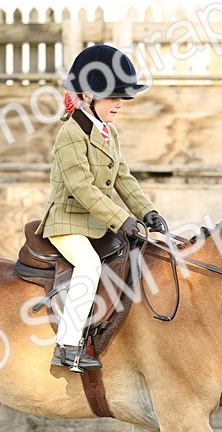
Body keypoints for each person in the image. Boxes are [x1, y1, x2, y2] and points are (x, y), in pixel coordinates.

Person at [36, 44, 167, 372]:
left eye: (122, 98)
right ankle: (66, 345)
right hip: (67, 223)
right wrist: (122, 218)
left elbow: (123, 177)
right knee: (89, 266)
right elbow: (82, 189)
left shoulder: (110, 133)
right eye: (113, 97)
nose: (119, 105)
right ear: (88, 97)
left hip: (97, 223)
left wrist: (146, 211)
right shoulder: (70, 135)